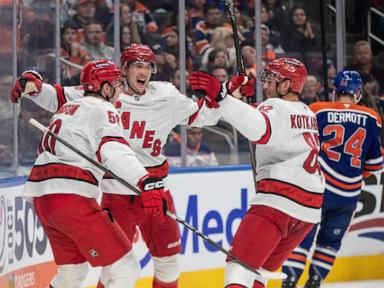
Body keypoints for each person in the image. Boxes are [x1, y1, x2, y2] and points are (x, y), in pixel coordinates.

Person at [10, 43, 221, 288]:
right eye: (137, 66)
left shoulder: (164, 95)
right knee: (119, 269)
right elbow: (111, 147)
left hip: (151, 189)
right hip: (116, 191)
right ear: (124, 70)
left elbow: (204, 115)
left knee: (167, 261)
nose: (143, 72)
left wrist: (222, 98)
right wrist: (37, 90)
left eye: (147, 66)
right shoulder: (103, 100)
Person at [20, 60, 167, 288]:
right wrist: (144, 180)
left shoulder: (69, 107)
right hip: (71, 198)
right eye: (118, 84)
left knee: (72, 273)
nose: (122, 89)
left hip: (44, 200)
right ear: (105, 89)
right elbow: (114, 149)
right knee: (126, 269)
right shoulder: (104, 108)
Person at [188, 57, 325, 288]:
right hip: (309, 210)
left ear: (286, 85)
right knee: (258, 273)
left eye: (271, 80)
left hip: (279, 200)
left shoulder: (276, 107)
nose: (265, 85)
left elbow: (259, 128)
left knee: (239, 270)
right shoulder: (307, 112)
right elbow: (265, 122)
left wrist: (222, 96)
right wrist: (237, 101)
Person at [281, 69, 383, 288]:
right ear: (357, 92)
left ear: (335, 90)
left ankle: (289, 281)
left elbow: (300, 145)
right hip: (348, 195)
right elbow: (375, 165)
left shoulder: (317, 109)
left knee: (302, 236)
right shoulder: (372, 117)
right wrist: (354, 173)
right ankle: (315, 281)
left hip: (317, 188)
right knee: (330, 242)